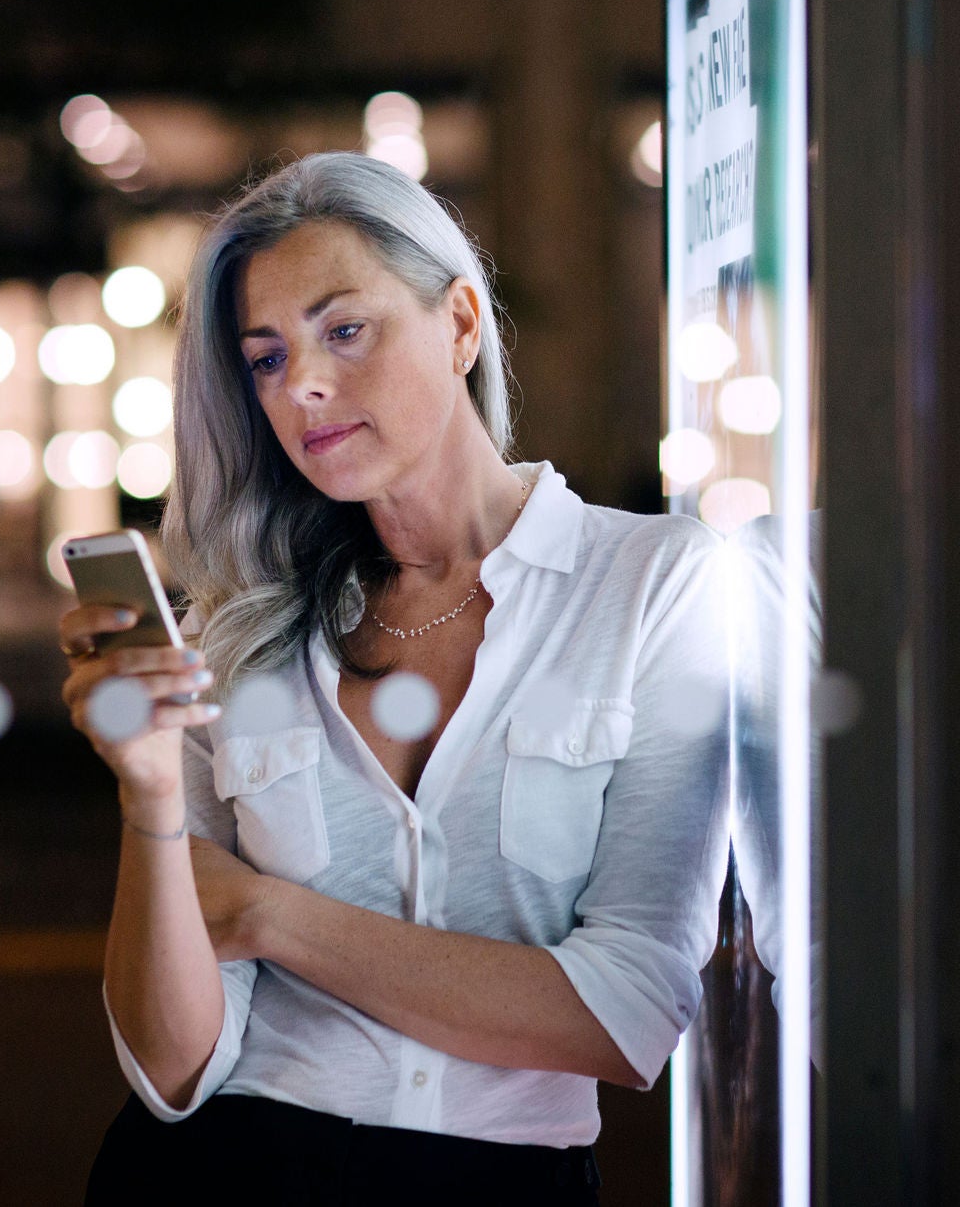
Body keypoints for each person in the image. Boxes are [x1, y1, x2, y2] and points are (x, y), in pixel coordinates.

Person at [58, 152, 732, 1203]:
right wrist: (147, 795)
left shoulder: (650, 585)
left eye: (344, 329)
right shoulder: (238, 634)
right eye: (266, 358)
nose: (304, 386)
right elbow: (174, 1068)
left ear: (461, 322)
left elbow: (625, 1013)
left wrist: (269, 917)